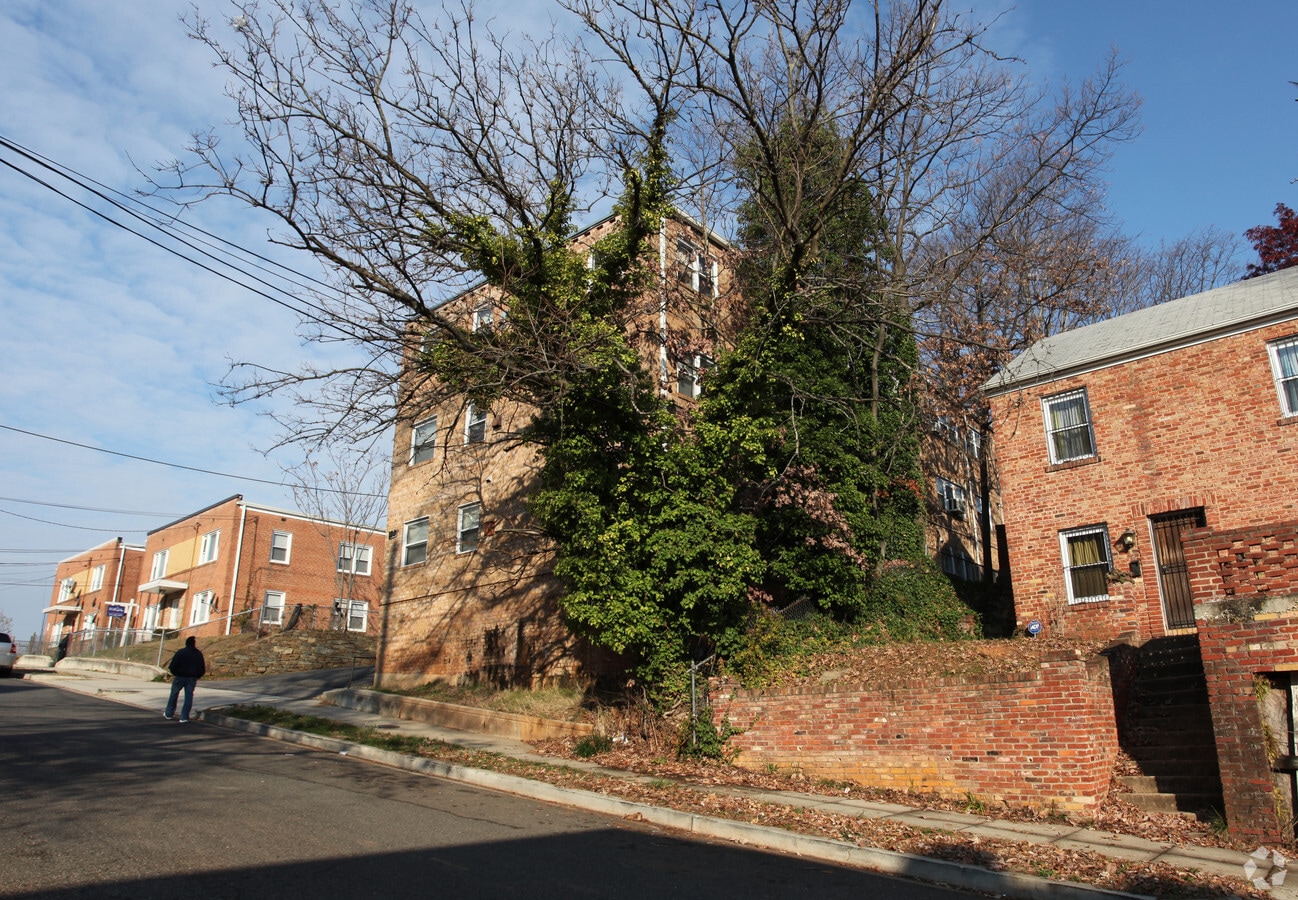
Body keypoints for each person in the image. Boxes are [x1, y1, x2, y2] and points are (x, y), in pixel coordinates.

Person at [164, 636, 206, 723]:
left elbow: (172, 666)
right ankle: (184, 717)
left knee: (174, 695)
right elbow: (202, 668)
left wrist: (175, 673)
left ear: (186, 643)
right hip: (191, 678)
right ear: (194, 644)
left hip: (179, 676)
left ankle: (169, 713)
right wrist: (197, 676)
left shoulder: (181, 652)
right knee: (189, 697)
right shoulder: (198, 654)